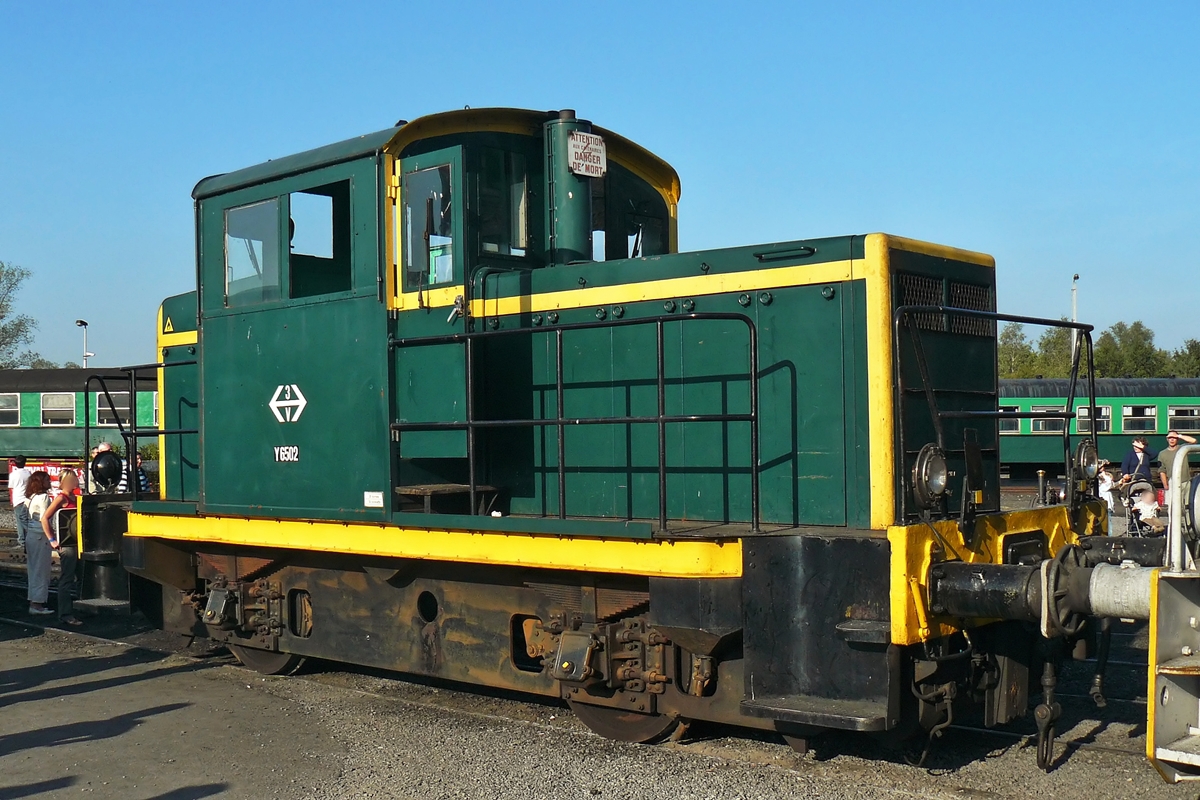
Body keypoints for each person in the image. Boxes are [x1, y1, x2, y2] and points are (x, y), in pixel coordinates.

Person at [41, 470, 82, 626]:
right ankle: (65, 614)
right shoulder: (61, 498)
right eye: (72, 479)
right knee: (67, 578)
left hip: (78, 543)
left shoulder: (76, 498)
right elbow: (45, 518)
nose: (75, 482)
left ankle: (79, 608)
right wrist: (52, 539)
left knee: (81, 576)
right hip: (67, 544)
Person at [24, 471, 54, 615]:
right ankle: (37, 604)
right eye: (47, 480)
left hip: (31, 536)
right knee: (41, 571)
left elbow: (23, 517)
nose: (50, 482)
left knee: (34, 570)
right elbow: (45, 518)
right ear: (41, 482)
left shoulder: (31, 497)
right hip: (41, 537)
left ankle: (34, 601)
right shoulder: (44, 498)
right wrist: (52, 537)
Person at [1159, 430, 1198, 495]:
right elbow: (1162, 471)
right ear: (1167, 439)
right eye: (1170, 438)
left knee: (1187, 501)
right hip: (1172, 483)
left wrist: (1179, 435)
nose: (1172, 440)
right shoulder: (1162, 454)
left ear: (1177, 439)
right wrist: (1165, 485)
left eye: (1174, 438)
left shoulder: (1183, 448)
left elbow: (1194, 441)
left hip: (1186, 482)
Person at [8, 456, 31, 549]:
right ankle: (28, 538)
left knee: (19, 521)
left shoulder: (13, 474)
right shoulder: (28, 473)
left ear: (15, 463)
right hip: (27, 499)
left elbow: (11, 486)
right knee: (27, 519)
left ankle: (22, 541)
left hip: (18, 499)